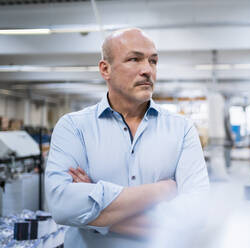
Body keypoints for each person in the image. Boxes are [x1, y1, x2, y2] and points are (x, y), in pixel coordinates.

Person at [45, 28, 209, 248]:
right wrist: (160, 191)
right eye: (134, 59)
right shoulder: (74, 127)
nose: (147, 70)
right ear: (105, 69)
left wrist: (96, 214)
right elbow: (62, 206)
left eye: (153, 61)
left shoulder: (182, 129)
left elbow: (197, 213)